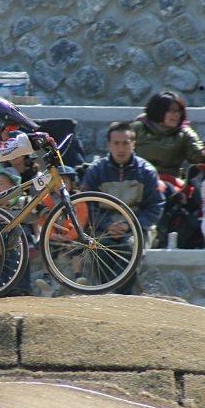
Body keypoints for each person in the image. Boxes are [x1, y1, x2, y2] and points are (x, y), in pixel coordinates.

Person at [81, 122, 164, 295]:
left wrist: (129, 224)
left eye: (126, 143)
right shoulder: (96, 171)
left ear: (133, 144)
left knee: (130, 249)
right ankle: (110, 295)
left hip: (136, 226)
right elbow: (88, 206)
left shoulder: (147, 172)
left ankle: (118, 297)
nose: (121, 148)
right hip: (103, 226)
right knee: (100, 248)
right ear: (108, 145)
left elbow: (155, 207)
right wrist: (106, 225)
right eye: (116, 143)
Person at [130, 91, 205, 179]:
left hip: (169, 181)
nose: (177, 115)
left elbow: (196, 154)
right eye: (172, 110)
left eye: (179, 111)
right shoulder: (137, 128)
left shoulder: (184, 133)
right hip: (138, 178)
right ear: (158, 110)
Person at [34, 165, 88, 294]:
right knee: (47, 248)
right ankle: (47, 277)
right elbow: (43, 221)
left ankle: (77, 275)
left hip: (71, 236)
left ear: (72, 183)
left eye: (64, 181)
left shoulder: (79, 200)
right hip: (54, 236)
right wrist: (52, 235)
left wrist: (69, 237)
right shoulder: (47, 200)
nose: (59, 185)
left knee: (78, 248)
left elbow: (81, 221)